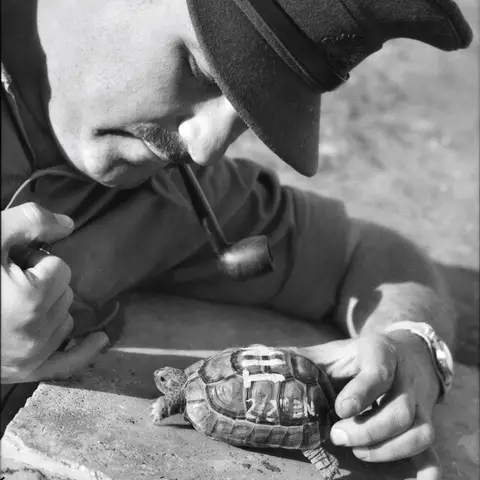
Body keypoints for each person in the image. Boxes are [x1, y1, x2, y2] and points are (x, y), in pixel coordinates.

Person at [1, 0, 472, 478]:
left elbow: (372, 255)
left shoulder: (181, 192)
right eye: (201, 69)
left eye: (247, 111)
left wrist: (410, 346)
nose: (205, 147)